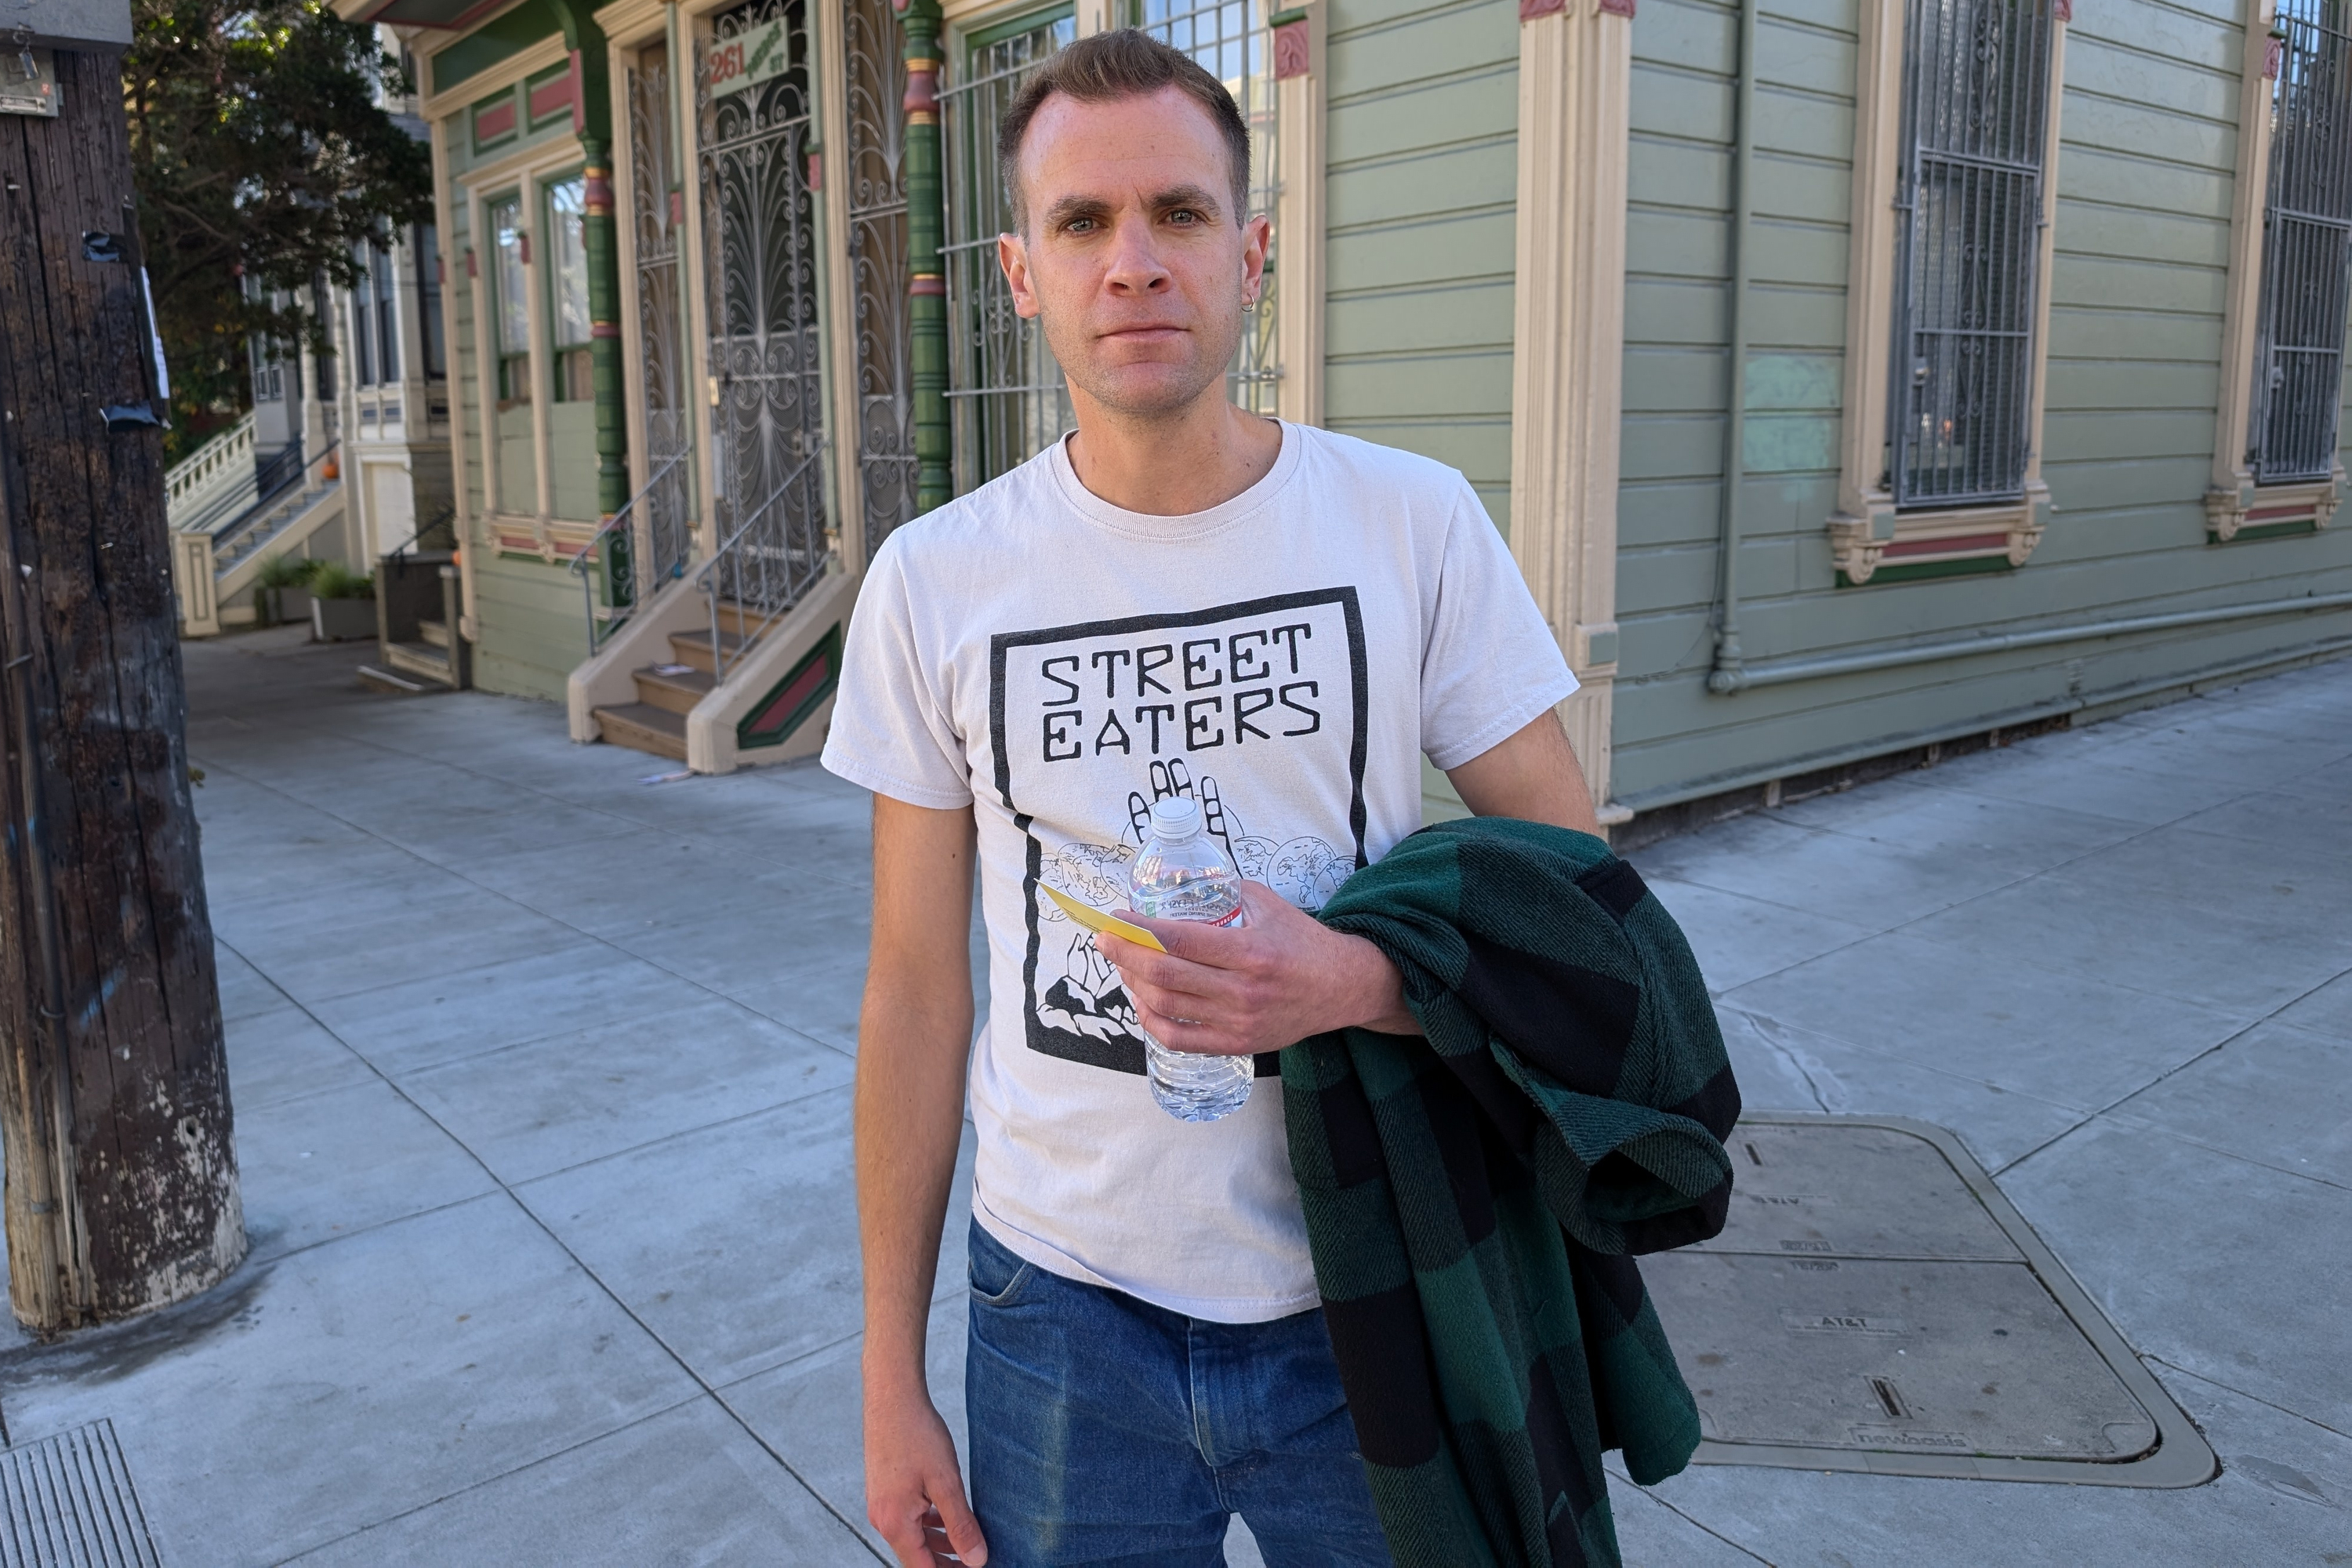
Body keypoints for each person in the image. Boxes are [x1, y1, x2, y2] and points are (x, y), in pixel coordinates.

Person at [822, 29, 1599, 1568]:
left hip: (1364, 1277)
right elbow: (918, 987)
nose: (1134, 264)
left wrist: (1364, 980)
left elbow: (1571, 879)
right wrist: (887, 1372)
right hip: (1055, 1311)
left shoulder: (1412, 523)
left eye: (1177, 215)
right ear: (1020, 273)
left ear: (1249, 253)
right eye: (1082, 222)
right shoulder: (934, 581)